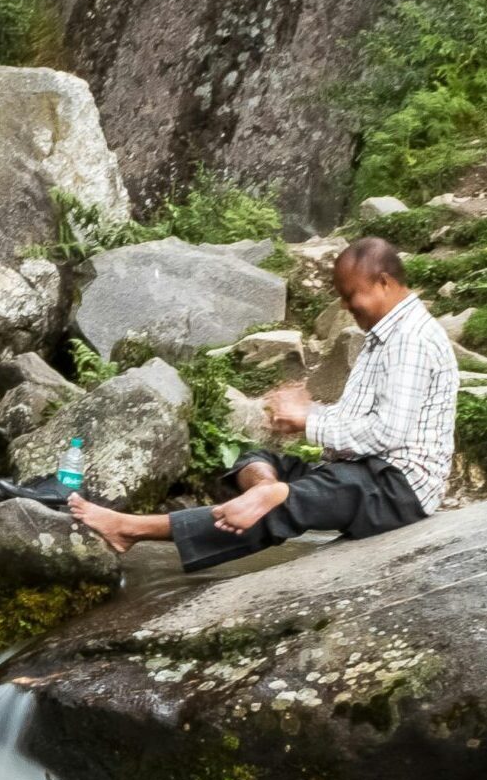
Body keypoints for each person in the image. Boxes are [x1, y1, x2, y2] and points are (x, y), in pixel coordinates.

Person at [66, 237, 458, 571]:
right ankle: (266, 491)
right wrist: (307, 415)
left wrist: (310, 421)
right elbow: (364, 421)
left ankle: (132, 528)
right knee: (255, 459)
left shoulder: (410, 339)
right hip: (365, 472)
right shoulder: (385, 337)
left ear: (384, 282)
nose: (345, 306)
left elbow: (389, 432)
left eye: (350, 294)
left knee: (290, 503)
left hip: (397, 487)